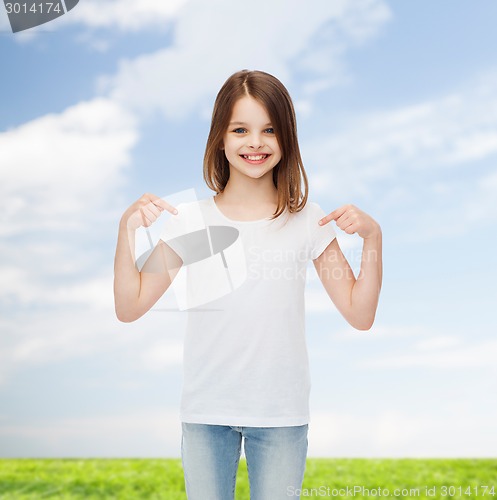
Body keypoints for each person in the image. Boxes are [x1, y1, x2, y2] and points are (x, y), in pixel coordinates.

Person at [113, 69, 382, 500]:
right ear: (220, 137)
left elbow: (360, 313)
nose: (254, 143)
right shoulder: (189, 220)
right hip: (206, 412)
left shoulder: (308, 220)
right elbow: (130, 306)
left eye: (269, 130)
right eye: (241, 129)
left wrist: (372, 239)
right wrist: (125, 230)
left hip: (280, 414)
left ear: (286, 139)